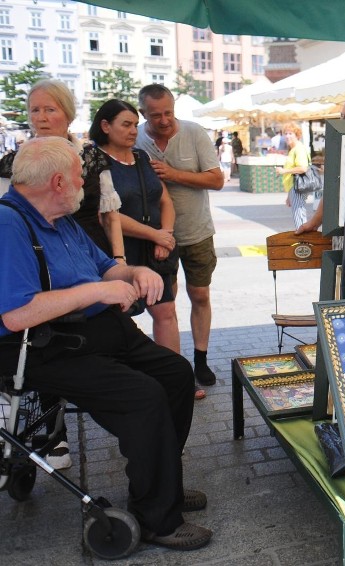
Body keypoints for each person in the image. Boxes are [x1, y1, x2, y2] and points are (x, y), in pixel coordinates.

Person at [0, 137, 211, 551]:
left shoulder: (61, 217)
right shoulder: (9, 224)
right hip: (44, 345)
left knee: (175, 374)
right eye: (81, 176)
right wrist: (95, 293)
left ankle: (162, 482)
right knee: (143, 396)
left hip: (95, 331)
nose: (86, 183)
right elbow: (15, 314)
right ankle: (157, 518)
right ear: (58, 181)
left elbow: (105, 269)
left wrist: (135, 273)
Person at [0, 79, 126, 469]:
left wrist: (118, 260)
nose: (40, 117)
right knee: (39, 336)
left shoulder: (90, 157)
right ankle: (48, 435)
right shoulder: (15, 161)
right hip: (34, 258)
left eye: (49, 109)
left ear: (67, 113)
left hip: (84, 247)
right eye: (35, 110)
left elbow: (110, 213)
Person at [135, 84, 224, 388]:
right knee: (165, 305)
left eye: (168, 112)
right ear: (142, 113)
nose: (164, 120)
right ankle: (172, 366)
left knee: (200, 294)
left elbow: (216, 179)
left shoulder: (194, 132)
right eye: (156, 115)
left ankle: (201, 358)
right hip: (158, 237)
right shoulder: (134, 139)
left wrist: (173, 174)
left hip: (197, 231)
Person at [88, 100, 185, 360]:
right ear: (106, 126)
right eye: (126, 125)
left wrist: (165, 236)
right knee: (122, 317)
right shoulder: (95, 162)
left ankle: (173, 376)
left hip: (157, 249)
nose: (133, 131)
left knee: (165, 312)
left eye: (135, 125)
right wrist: (155, 235)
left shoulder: (142, 157)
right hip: (121, 251)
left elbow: (165, 200)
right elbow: (107, 215)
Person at [294, 97, 345, 234]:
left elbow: (334, 186)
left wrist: (314, 222)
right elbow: (333, 188)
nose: (341, 122)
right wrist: (314, 222)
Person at [274, 122, 310, 229]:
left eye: (291, 133)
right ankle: (303, 240)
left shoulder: (299, 148)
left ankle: (303, 241)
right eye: (286, 133)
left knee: (299, 216)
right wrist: (289, 195)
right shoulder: (293, 149)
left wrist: (283, 171)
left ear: (297, 135)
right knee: (298, 214)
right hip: (294, 188)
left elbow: (303, 168)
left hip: (298, 187)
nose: (287, 136)